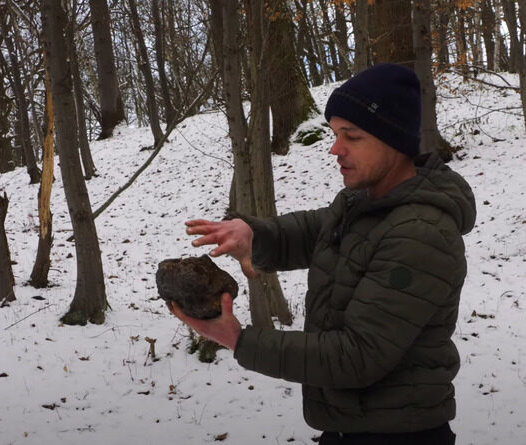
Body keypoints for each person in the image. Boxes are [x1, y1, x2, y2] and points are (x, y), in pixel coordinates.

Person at [169, 63, 476, 445]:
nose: (335, 148)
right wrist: (253, 234)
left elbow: (356, 356)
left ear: (395, 140)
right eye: (335, 133)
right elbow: (311, 232)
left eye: (352, 136)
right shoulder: (364, 203)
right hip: (356, 427)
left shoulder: (420, 233)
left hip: (399, 434)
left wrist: (240, 340)